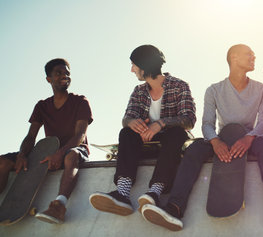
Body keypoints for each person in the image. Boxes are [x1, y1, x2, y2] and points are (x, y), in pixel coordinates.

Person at [139, 44, 263, 231]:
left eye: (254, 55)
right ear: (234, 58)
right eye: (249, 55)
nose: (254, 57)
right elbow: (207, 124)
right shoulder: (213, 90)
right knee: (193, 149)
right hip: (220, 138)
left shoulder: (261, 89)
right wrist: (215, 141)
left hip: (249, 138)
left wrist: (249, 138)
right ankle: (175, 208)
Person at [89, 45, 196, 217]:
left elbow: (189, 119)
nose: (132, 70)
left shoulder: (179, 85)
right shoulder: (139, 91)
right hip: (145, 144)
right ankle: (122, 193)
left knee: (177, 133)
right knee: (126, 133)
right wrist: (133, 123)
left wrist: (161, 124)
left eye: (134, 65)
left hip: (171, 146)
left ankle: (154, 193)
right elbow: (127, 118)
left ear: (145, 65)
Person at [0, 58, 93, 224]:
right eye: (58, 73)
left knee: (70, 156)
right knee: (3, 162)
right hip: (49, 151)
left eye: (67, 73)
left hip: (75, 149)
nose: (64, 76)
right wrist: (22, 154)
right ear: (48, 79)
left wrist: (60, 153)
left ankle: (59, 206)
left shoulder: (80, 101)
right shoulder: (42, 106)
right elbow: (31, 137)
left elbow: (80, 135)